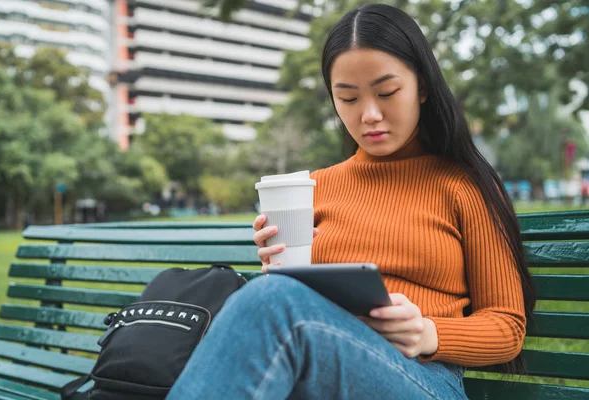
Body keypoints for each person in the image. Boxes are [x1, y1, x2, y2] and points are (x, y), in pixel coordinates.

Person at [167, 4, 535, 399]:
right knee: (271, 298)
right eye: (348, 99)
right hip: (320, 369)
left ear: (422, 87)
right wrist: (282, 266)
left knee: (271, 303)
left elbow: (506, 327)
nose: (369, 115)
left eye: (387, 92)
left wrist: (427, 333)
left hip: (424, 380)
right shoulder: (312, 187)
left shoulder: (463, 186)